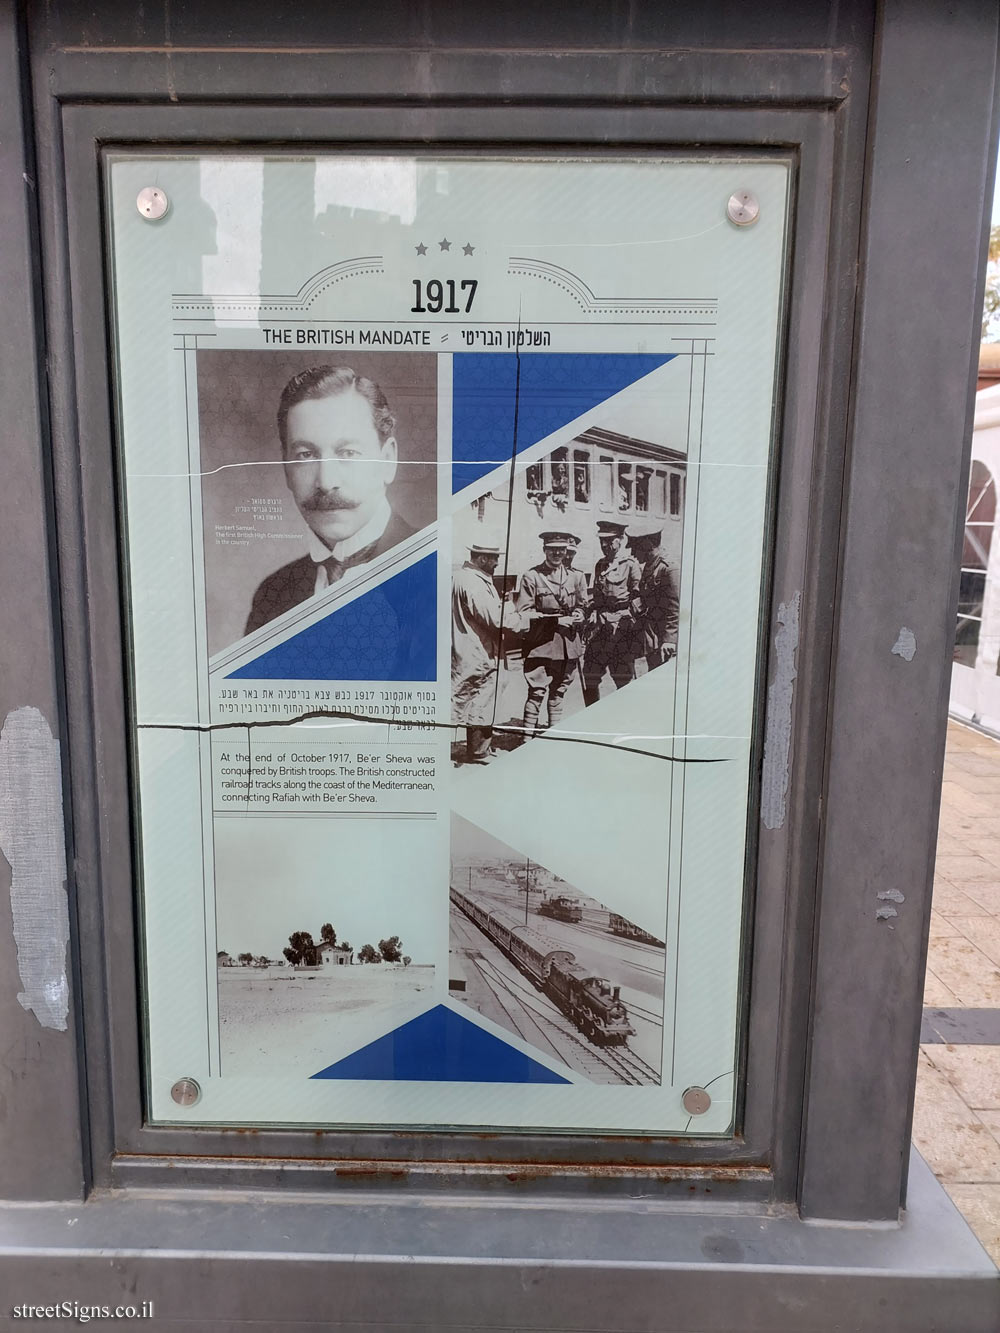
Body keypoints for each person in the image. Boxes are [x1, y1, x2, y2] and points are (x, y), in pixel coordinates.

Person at [244, 365, 415, 635]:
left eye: (347, 452)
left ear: (387, 460)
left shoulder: (437, 574)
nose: (325, 481)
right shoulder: (272, 595)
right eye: (305, 455)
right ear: (286, 468)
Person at [515, 531, 588, 737]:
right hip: (541, 644)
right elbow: (524, 612)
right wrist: (555, 620)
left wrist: (579, 614)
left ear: (567, 551)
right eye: (552, 549)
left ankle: (552, 736)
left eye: (561, 549)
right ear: (544, 549)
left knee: (558, 692)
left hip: (567, 645)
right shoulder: (532, 576)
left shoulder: (577, 577)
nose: (557, 553)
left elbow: (584, 605)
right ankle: (526, 739)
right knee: (537, 692)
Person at [451, 541, 512, 765]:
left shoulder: (460, 576)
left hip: (467, 649)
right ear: (483, 558)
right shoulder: (473, 582)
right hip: (479, 652)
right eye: (495, 558)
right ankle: (477, 753)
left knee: (468, 700)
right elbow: (496, 619)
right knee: (479, 701)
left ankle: (477, 750)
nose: (497, 563)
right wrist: (523, 616)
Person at [582, 519, 642, 705]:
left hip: (621, 630)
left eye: (610, 541)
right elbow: (597, 597)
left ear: (621, 539)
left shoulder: (630, 565)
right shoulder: (600, 565)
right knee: (590, 675)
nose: (605, 545)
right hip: (600, 628)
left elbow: (638, 597)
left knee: (623, 678)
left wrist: (630, 622)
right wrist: (592, 611)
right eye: (602, 541)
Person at [628, 520, 680, 670]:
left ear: (646, 545)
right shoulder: (651, 566)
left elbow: (675, 608)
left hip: (665, 641)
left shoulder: (669, 568)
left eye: (635, 548)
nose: (632, 554)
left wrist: (670, 640)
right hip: (653, 638)